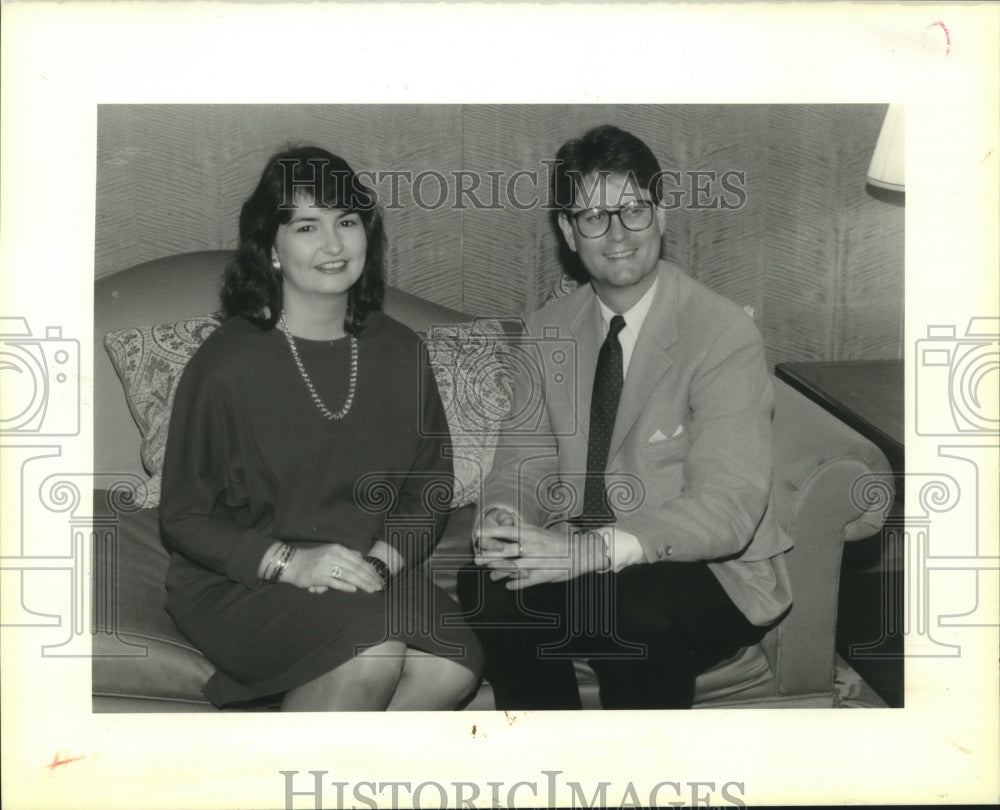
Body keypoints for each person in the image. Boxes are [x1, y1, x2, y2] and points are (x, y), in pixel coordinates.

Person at [456, 125, 792, 710]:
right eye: (592, 216)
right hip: (585, 563)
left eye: (632, 210)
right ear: (567, 230)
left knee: (628, 610)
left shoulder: (721, 332)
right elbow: (522, 462)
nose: (616, 234)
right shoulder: (546, 330)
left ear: (660, 215)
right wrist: (506, 518)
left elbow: (729, 506)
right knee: (487, 586)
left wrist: (593, 553)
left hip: (703, 571)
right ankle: (550, 767)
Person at [160, 145, 483, 711]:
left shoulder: (401, 351)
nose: (334, 245)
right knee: (371, 650)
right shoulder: (225, 364)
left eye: (348, 222)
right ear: (271, 249)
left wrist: (381, 563)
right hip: (245, 583)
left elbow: (428, 485)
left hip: (364, 572)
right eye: (308, 226)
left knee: (454, 662)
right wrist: (292, 563)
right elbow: (186, 516)